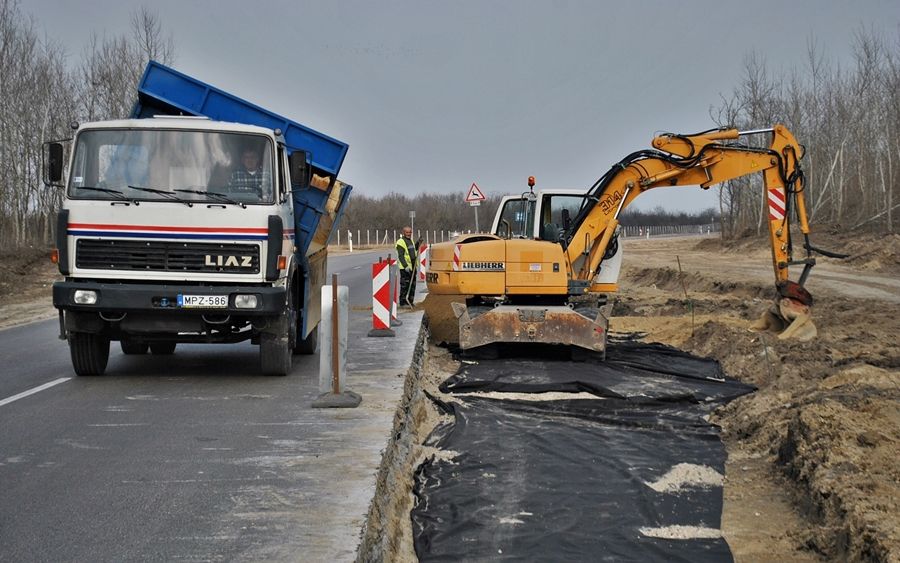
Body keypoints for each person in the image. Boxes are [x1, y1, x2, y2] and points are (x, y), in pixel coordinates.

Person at [396, 226, 422, 307]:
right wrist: (405, 266)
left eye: (410, 232)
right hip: (405, 268)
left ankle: (410, 301)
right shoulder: (400, 242)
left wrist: (418, 243)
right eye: (407, 232)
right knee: (405, 285)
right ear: (403, 232)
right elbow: (401, 256)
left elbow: (414, 250)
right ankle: (403, 302)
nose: (409, 234)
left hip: (413, 267)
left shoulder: (411, 241)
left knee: (412, 285)